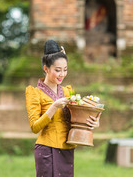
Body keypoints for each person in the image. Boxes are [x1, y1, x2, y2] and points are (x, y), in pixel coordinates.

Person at [25, 39, 101, 177]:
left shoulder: (67, 92)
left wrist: (92, 122)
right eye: (58, 70)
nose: (62, 74)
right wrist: (54, 106)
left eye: (65, 70)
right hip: (47, 150)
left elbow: (76, 119)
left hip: (67, 148)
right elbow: (34, 127)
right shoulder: (35, 93)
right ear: (46, 69)